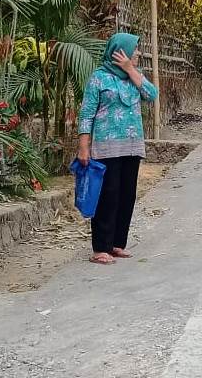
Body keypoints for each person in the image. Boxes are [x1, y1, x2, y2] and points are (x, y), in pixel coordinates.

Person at [77, 33, 159, 265]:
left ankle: (117, 244)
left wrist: (131, 70)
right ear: (120, 52)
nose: (138, 53)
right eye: (134, 49)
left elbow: (152, 95)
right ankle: (100, 248)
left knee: (127, 195)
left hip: (132, 145)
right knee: (107, 195)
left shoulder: (134, 76)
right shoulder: (99, 78)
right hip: (106, 147)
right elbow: (86, 114)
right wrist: (83, 147)